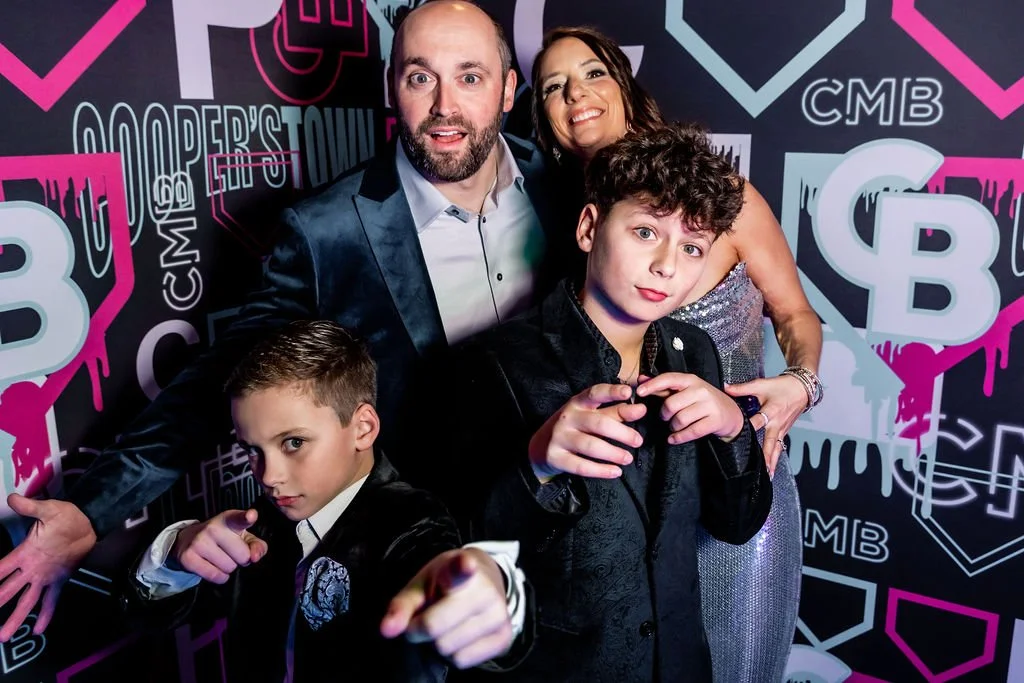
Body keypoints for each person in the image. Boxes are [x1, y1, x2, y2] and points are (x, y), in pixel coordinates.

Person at [0, 1, 566, 658]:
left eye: (469, 77)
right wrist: (91, 509)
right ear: (392, 88)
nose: (444, 105)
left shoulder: (562, 185)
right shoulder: (326, 230)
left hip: (567, 538)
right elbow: (218, 380)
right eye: (420, 77)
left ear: (507, 88)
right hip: (425, 564)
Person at [426, 125, 772, 681]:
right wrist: (534, 466)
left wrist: (734, 431)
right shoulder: (498, 362)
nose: (667, 265)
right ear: (589, 227)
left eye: (691, 247)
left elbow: (736, 525)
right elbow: (454, 553)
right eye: (644, 231)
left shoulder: (697, 353)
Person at [531, 26, 823, 682]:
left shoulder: (724, 198)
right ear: (546, 125)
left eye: (593, 73)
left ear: (627, 89)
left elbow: (797, 313)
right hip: (620, 510)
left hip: (732, 496)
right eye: (553, 87)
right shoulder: (565, 231)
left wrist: (802, 381)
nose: (576, 93)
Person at [123, 320, 519, 681]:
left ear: (362, 428)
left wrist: (491, 586)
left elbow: (444, 573)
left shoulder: (409, 520)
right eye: (252, 450)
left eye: (293, 443)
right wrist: (176, 551)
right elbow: (143, 617)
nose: (268, 476)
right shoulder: (255, 529)